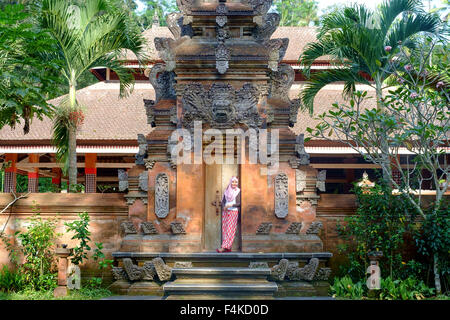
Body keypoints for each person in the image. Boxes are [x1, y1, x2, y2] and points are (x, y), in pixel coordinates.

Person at [217, 176, 241, 253]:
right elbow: (223, 201)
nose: (234, 183)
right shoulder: (227, 190)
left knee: (230, 230)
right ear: (230, 182)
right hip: (226, 212)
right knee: (225, 229)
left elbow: (239, 203)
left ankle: (224, 247)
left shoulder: (238, 191)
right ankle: (228, 247)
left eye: (236, 182)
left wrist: (231, 205)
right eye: (233, 182)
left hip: (233, 211)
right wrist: (224, 207)